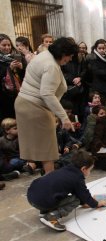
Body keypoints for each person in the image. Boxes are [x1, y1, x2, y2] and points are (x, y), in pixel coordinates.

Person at [15, 37, 77, 175]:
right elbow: (47, 94)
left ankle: (45, 174)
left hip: (26, 103)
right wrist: (64, 117)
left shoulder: (45, 55)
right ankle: (50, 179)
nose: (70, 59)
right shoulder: (51, 65)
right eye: (70, 55)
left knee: (41, 145)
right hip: (34, 106)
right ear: (63, 53)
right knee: (47, 146)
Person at [27, 150, 106, 231]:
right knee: (76, 200)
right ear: (83, 169)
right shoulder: (77, 178)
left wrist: (85, 203)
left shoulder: (67, 169)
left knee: (53, 191)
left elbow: (76, 190)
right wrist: (96, 204)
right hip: (42, 202)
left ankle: (44, 212)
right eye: (90, 170)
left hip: (31, 196)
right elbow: (83, 194)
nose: (90, 172)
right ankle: (51, 217)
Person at [0, 33, 25, 122]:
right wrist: (9, 69)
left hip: (17, 94)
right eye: (4, 45)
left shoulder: (15, 57)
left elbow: (25, 77)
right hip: (4, 97)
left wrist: (21, 68)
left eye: (9, 45)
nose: (7, 47)